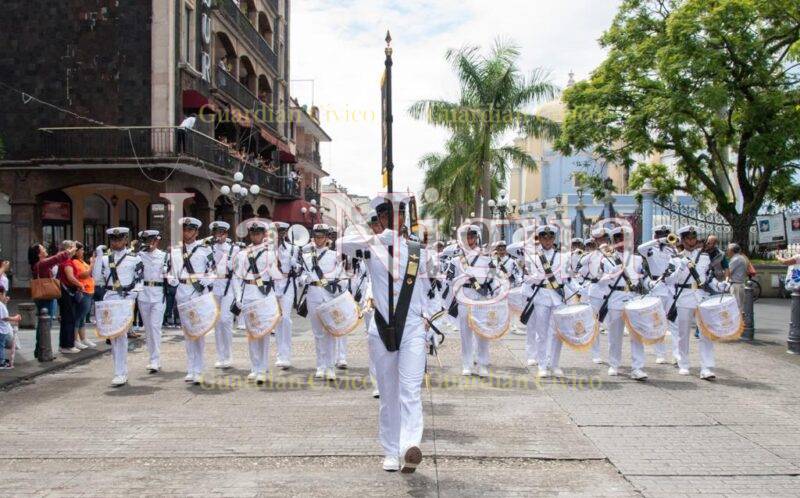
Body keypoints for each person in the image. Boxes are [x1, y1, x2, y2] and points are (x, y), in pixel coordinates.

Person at [338, 194, 430, 473]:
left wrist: (428, 318)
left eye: (397, 216)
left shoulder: (417, 250)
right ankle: (391, 451)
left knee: (410, 390)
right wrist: (379, 239)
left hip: (413, 327)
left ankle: (410, 445)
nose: (393, 221)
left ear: (403, 218)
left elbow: (426, 289)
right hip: (382, 327)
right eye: (387, 217)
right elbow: (341, 245)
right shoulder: (370, 248)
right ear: (380, 219)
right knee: (389, 393)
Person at [509, 225, 567, 378]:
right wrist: (538, 277)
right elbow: (527, 279)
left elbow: (567, 279)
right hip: (541, 297)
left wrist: (580, 290)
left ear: (554, 239)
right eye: (543, 237)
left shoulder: (563, 257)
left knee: (557, 333)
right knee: (541, 332)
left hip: (557, 297)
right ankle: (542, 365)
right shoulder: (532, 258)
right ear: (539, 239)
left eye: (550, 237)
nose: (547, 240)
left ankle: (554, 364)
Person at [92, 227, 143, 386]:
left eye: (119, 239)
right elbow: (96, 278)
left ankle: (121, 372)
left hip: (125, 298)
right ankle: (119, 370)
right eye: (113, 240)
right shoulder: (106, 259)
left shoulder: (135, 258)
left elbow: (140, 279)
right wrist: (99, 257)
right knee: (113, 336)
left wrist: (134, 293)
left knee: (121, 335)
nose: (116, 242)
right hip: (110, 297)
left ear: (126, 240)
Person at [665, 226, 716, 380]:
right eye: (688, 238)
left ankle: (706, 367)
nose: (691, 241)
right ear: (682, 240)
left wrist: (719, 285)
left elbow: (708, 278)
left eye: (693, 238)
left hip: (700, 296)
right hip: (684, 296)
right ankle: (684, 364)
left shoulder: (705, 257)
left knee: (706, 333)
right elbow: (669, 280)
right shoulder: (675, 259)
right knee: (683, 333)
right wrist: (680, 268)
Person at [168, 217, 213, 384]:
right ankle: (190, 368)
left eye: (190, 230)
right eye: (184, 230)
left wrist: (208, 279)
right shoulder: (175, 251)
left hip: (198, 293)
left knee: (199, 332)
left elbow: (214, 270)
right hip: (182, 292)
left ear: (196, 232)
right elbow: (171, 270)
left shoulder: (205, 250)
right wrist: (172, 278)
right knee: (187, 332)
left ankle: (199, 369)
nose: (187, 233)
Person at [232, 220, 278, 384]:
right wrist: (238, 297)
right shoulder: (243, 254)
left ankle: (263, 367)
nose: (255, 236)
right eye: (253, 233)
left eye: (258, 233)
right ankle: (254, 367)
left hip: (264, 295)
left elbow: (276, 278)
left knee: (264, 332)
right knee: (251, 333)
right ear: (250, 235)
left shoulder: (270, 254)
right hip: (249, 294)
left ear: (263, 234)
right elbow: (237, 278)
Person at [600, 226, 646, 379]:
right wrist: (613, 272)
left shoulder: (638, 259)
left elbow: (644, 278)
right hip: (616, 297)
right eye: (618, 239)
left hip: (633, 296)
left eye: (624, 239)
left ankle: (637, 367)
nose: (622, 242)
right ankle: (614, 364)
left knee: (636, 334)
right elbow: (601, 281)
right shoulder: (606, 259)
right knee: (615, 334)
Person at [301, 223, 345, 381]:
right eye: (316, 236)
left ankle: (331, 367)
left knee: (330, 332)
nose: (319, 239)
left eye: (321, 236)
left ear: (327, 237)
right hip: (313, 294)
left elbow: (341, 275)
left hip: (329, 296)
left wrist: (339, 287)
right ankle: (320, 366)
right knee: (318, 333)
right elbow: (302, 276)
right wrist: (304, 279)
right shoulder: (306, 257)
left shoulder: (334, 255)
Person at [450, 225, 494, 378]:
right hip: (464, 296)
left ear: (477, 238)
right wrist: (463, 278)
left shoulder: (486, 257)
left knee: (482, 331)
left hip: (481, 297)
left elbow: (493, 277)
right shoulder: (456, 260)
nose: (470, 240)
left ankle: (482, 364)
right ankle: (467, 364)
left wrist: (495, 294)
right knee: (465, 333)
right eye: (467, 237)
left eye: (472, 237)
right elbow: (450, 279)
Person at [637, 224, 679, 365]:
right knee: (657, 321)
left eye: (666, 234)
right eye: (660, 234)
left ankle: (677, 354)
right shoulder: (650, 249)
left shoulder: (672, 250)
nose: (664, 236)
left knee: (674, 322)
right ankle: (660, 353)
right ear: (655, 235)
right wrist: (658, 241)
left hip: (671, 288)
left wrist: (672, 246)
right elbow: (639, 248)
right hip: (657, 287)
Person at [28, 242, 76, 361]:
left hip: (45, 297)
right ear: (39, 254)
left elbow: (55, 258)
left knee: (44, 324)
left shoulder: (40, 264)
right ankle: (42, 350)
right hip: (44, 297)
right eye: (42, 249)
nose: (45, 249)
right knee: (45, 324)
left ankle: (41, 350)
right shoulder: (41, 264)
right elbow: (56, 258)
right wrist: (69, 251)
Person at [208, 221, 240, 369]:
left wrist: (238, 295)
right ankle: (220, 356)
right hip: (214, 287)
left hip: (228, 286)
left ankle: (228, 356)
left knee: (226, 320)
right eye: (216, 233)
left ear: (226, 234)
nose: (218, 236)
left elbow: (237, 273)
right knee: (217, 323)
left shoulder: (234, 249)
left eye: (221, 233)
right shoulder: (209, 248)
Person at [136, 230, 168, 373]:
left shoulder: (164, 256)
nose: (149, 243)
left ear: (157, 241)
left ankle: (155, 359)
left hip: (158, 294)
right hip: (143, 294)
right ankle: (152, 358)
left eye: (151, 240)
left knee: (155, 327)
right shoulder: (138, 256)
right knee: (148, 328)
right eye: (146, 241)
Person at [274, 222, 300, 369]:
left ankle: (285, 356)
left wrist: (295, 265)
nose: (278, 235)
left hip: (287, 284)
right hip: (272, 286)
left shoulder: (293, 249)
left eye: (281, 232)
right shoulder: (267, 249)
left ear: (284, 234)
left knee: (285, 319)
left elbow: (301, 268)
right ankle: (280, 355)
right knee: (277, 320)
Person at [56, 240, 82, 354]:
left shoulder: (66, 261)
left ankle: (65, 344)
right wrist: (80, 285)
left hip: (66, 292)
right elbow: (70, 277)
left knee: (67, 318)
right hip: (67, 292)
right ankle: (68, 345)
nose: (75, 249)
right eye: (73, 247)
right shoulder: (66, 262)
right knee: (69, 318)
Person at [70, 243, 97, 349]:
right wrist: (92, 263)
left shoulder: (81, 261)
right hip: (84, 291)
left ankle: (83, 338)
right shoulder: (75, 262)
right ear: (76, 251)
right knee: (79, 316)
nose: (83, 252)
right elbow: (84, 274)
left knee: (82, 317)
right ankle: (75, 339)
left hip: (89, 291)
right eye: (81, 250)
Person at [0, 287, 20, 369]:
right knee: (1, 346)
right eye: (4, 294)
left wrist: (4, 301)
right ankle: (1, 362)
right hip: (1, 330)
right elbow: (4, 318)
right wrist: (14, 318)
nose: (5, 296)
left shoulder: (1, 304)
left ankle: (2, 360)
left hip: (2, 329)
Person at [726, 243, 749, 314]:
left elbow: (728, 271)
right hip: (740, 284)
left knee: (734, 307)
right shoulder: (742, 257)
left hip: (736, 285)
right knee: (739, 307)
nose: (727, 252)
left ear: (731, 251)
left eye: (728, 250)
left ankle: (737, 323)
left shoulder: (735, 259)